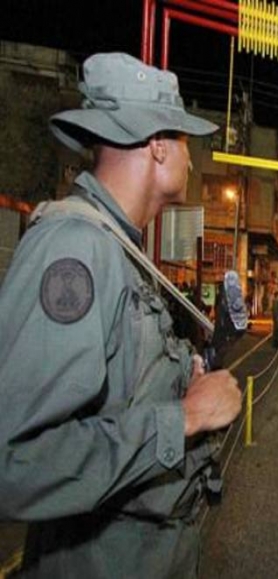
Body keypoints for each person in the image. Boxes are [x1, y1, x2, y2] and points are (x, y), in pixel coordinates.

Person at [0, 53, 242, 578]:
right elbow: (14, 462)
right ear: (158, 146)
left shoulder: (117, 248)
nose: (191, 160)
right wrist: (186, 417)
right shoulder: (75, 249)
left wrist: (179, 384)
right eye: (184, 141)